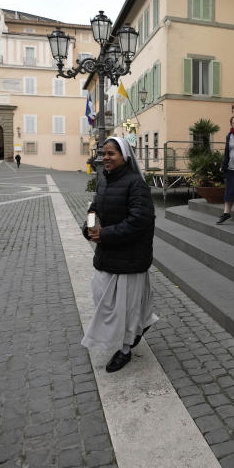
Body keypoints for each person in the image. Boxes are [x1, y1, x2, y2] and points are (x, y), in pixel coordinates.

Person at [81, 137, 158, 373]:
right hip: (107, 254)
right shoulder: (103, 180)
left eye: (111, 153)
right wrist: (90, 227)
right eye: (103, 153)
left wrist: (105, 234)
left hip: (129, 258)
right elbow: (94, 208)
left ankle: (124, 350)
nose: (106, 158)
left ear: (124, 156)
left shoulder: (136, 185)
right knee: (101, 299)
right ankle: (141, 325)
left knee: (124, 310)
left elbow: (139, 223)